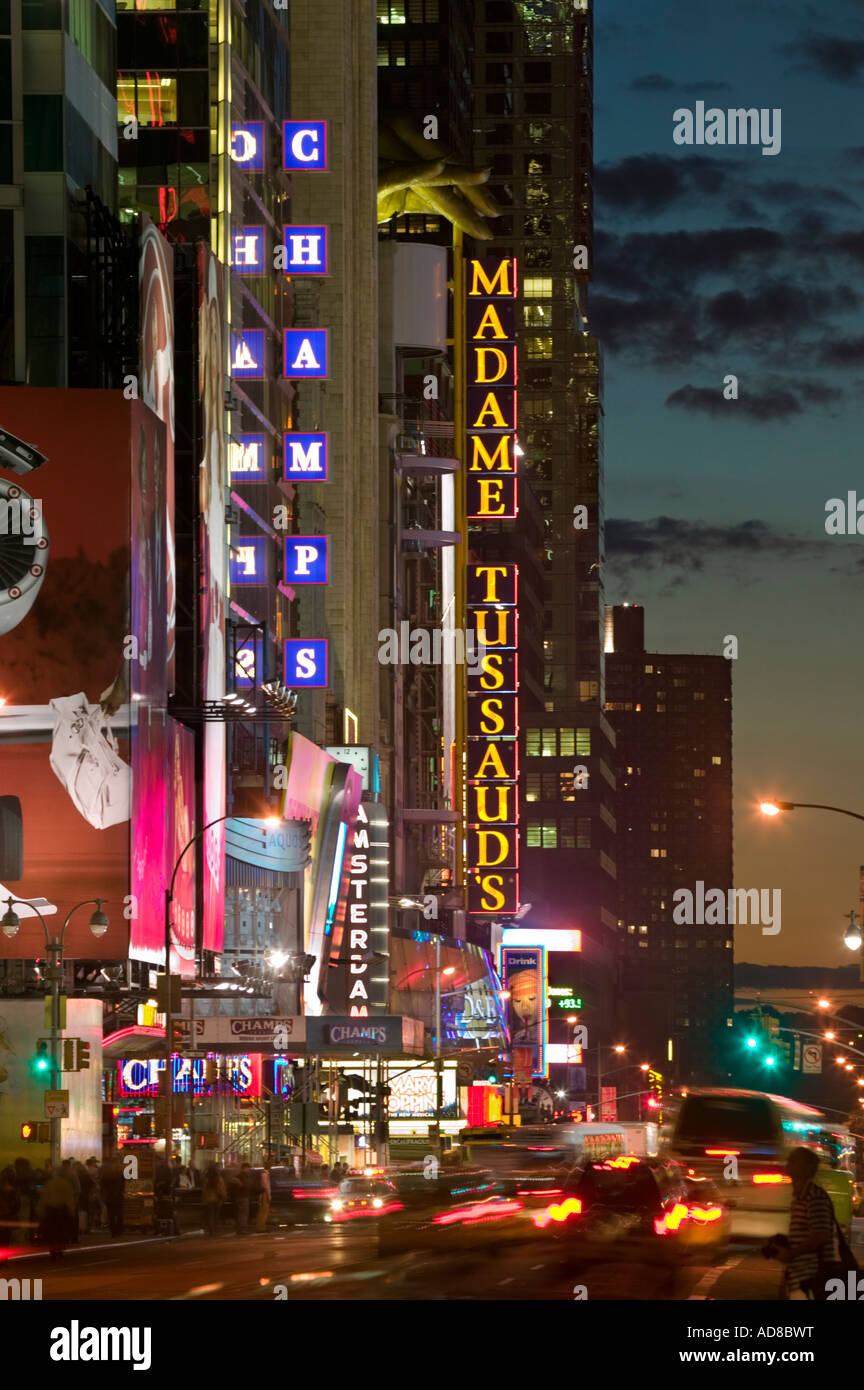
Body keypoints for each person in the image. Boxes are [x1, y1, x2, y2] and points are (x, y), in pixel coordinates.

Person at [768, 1147, 839, 1300]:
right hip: (799, 1277)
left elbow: (820, 1236)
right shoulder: (799, 1196)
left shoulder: (814, 1196)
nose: (789, 1162)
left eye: (794, 1159)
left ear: (806, 1168)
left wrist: (790, 1254)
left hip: (814, 1278)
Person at [37, 1167, 77, 1260]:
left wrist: (40, 1211)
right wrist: (72, 1211)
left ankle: (52, 1250)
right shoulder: (66, 1184)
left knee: (51, 1232)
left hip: (50, 1210)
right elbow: (69, 1199)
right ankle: (60, 1249)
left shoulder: (49, 1184)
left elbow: (44, 1198)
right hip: (62, 1210)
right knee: (61, 1231)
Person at [100, 1157, 125, 1238]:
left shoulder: (106, 1174)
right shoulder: (120, 1173)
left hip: (109, 1197)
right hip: (118, 1196)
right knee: (119, 1214)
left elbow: (102, 1187)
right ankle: (119, 1230)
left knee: (111, 1214)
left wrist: (103, 1196)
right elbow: (124, 1185)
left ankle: (113, 1231)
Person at [202, 1164, 226, 1237]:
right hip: (217, 1199)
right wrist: (223, 1197)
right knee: (216, 1215)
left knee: (210, 1215)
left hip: (209, 1199)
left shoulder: (207, 1179)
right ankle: (215, 1229)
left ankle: (211, 1230)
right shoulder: (218, 1178)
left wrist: (204, 1198)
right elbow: (221, 1189)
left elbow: (204, 1190)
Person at [229, 1162, 251, 1235]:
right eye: (248, 1168)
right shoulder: (242, 1176)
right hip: (243, 1196)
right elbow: (244, 1186)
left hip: (239, 1197)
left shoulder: (239, 1176)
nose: (249, 1170)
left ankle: (239, 1228)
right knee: (243, 1214)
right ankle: (242, 1229)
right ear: (244, 1168)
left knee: (240, 1214)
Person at [256, 1162, 271, 1233]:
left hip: (264, 1195)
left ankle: (261, 1227)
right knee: (263, 1212)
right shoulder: (264, 1174)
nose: (270, 1165)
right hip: (264, 1195)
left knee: (264, 1212)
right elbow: (265, 1187)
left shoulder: (265, 1173)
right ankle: (260, 1228)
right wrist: (268, 1196)